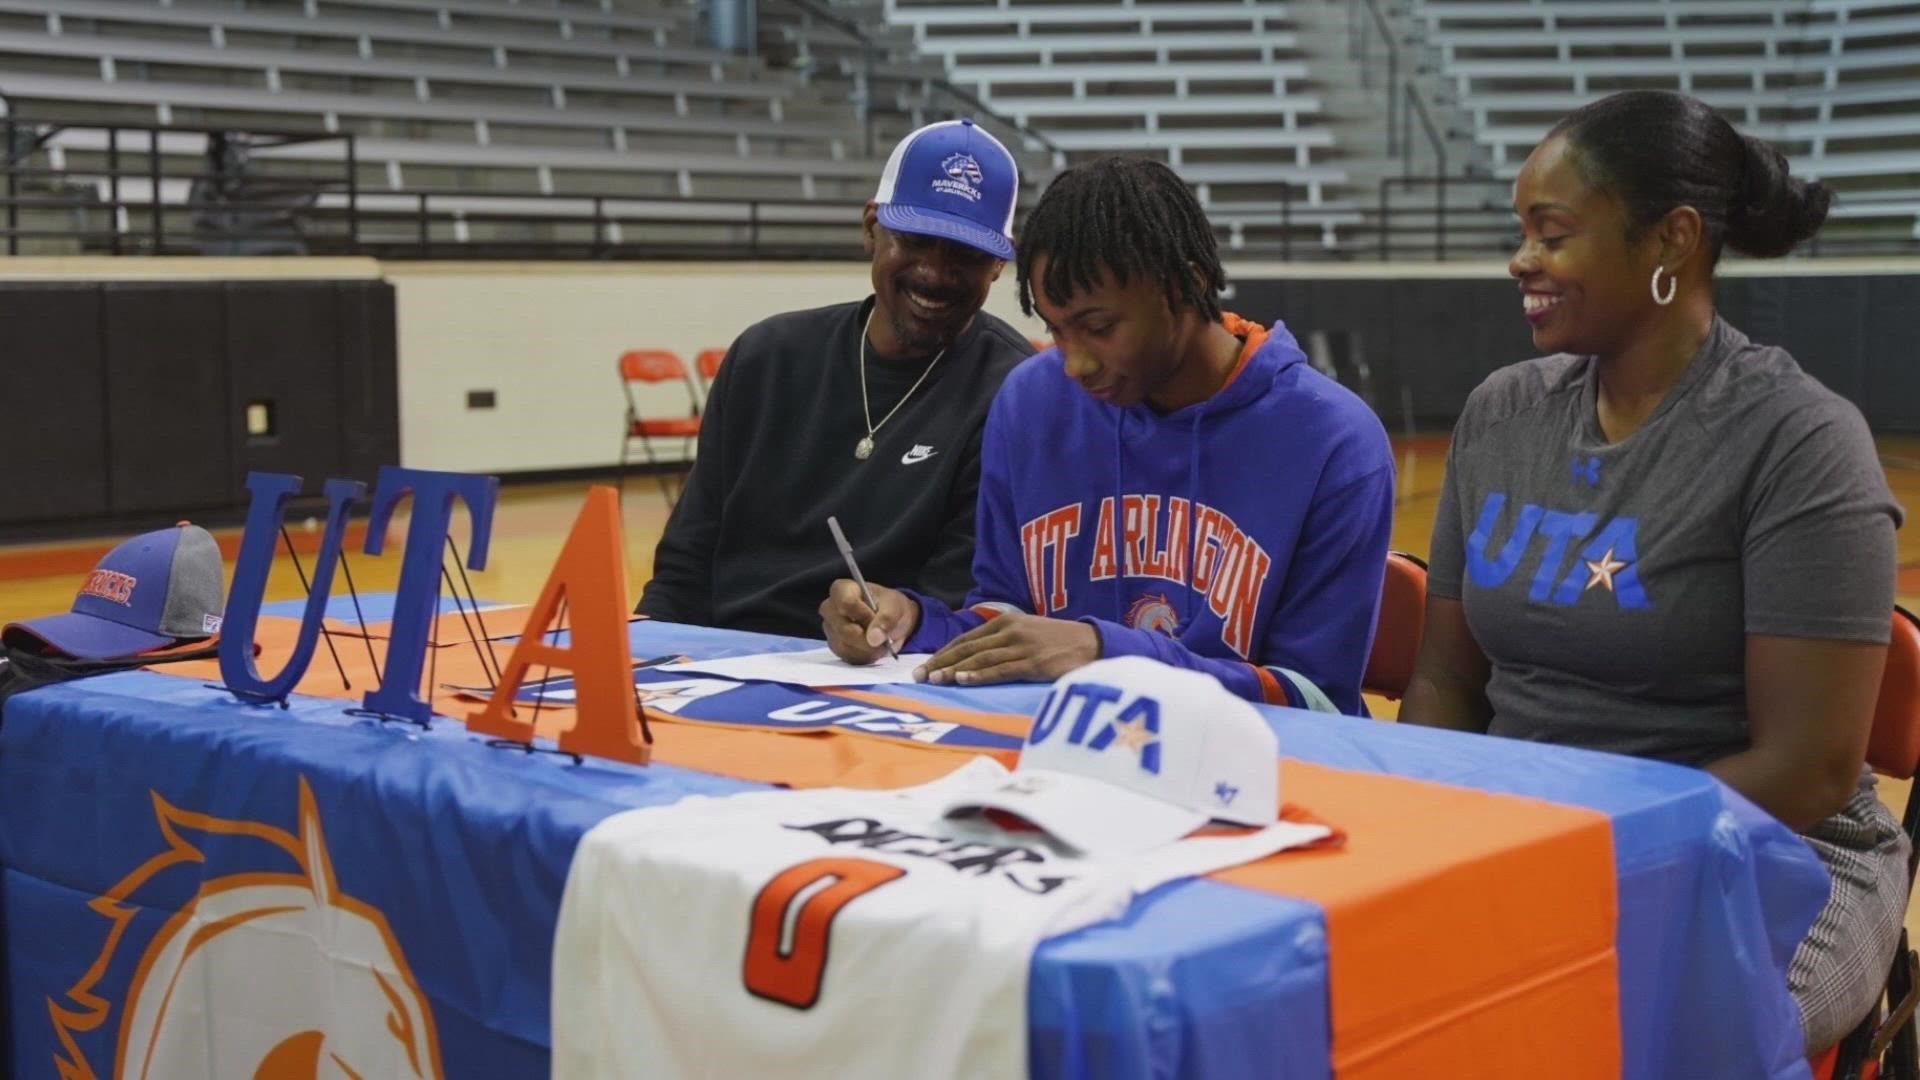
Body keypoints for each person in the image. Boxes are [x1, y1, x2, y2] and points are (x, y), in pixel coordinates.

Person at [1398, 90, 1905, 1053]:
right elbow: (1447, 680)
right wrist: (1437, 833)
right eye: (1522, 233)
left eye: (1552, 233)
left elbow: (1811, 767)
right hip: (1532, 831)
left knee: (1634, 1041)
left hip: (1764, 849)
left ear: (1670, 241)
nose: (1522, 260)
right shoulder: (1502, 413)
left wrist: (1588, 852)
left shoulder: (1796, 439)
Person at [820, 156, 1395, 712]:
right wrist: (914, 621)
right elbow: (1005, 617)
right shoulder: (1029, 402)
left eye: (1098, 328)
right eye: (1056, 330)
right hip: (1059, 765)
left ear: (1184, 287)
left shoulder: (1334, 443)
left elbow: (1316, 701)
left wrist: (1105, 653)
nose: (1074, 364)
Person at [638, 119, 1034, 638]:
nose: (935, 274)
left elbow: (957, 609)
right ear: (872, 228)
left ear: (997, 266)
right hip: (717, 656)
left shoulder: (1012, 395)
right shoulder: (765, 358)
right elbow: (685, 570)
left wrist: (892, 629)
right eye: (915, 240)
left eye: (966, 255)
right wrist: (637, 655)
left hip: (880, 679)